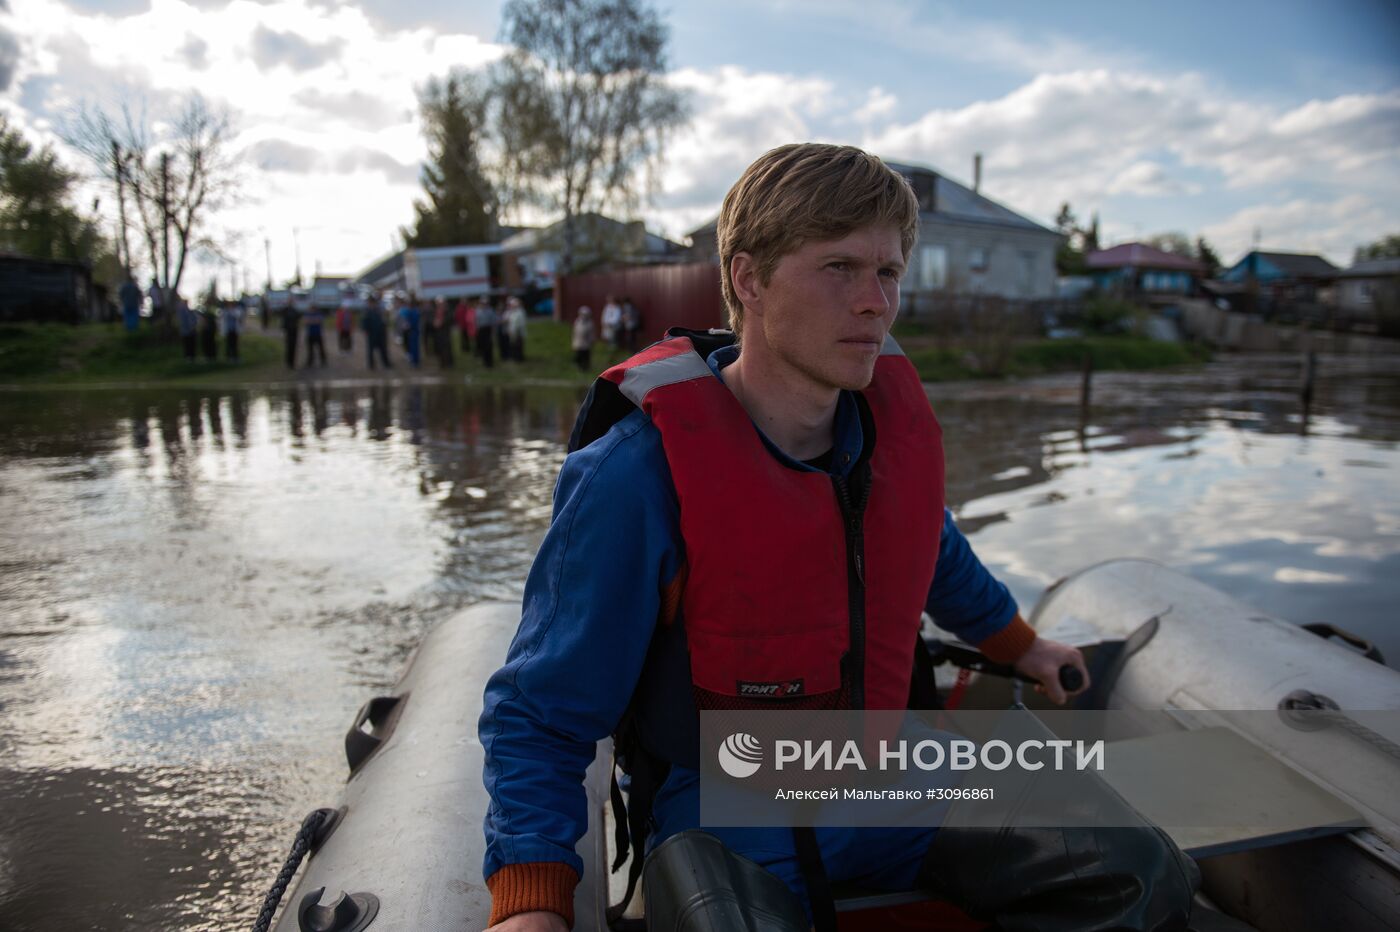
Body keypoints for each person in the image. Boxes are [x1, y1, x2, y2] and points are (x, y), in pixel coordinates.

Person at [479, 144, 1198, 932]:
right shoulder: (633, 477)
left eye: (887, 273)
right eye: (840, 269)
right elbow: (540, 713)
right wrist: (531, 899)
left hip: (890, 770)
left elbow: (933, 553)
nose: (874, 303)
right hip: (726, 799)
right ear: (749, 280)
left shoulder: (885, 443)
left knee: (1144, 871)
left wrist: (1021, 645)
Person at [362, 294, 391, 370]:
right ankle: (371, 365)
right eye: (370, 302)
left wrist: (384, 328)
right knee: (370, 350)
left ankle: (386, 363)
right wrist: (366, 330)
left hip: (380, 333)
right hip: (371, 334)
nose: (371, 304)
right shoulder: (367, 311)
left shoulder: (378, 310)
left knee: (383, 349)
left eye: (372, 302)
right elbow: (364, 323)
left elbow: (384, 322)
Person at [398, 294, 423, 368]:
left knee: (415, 347)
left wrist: (408, 326)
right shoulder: (409, 311)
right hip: (410, 332)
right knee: (411, 347)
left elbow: (413, 322)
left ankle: (416, 362)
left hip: (414, 332)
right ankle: (413, 360)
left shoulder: (415, 311)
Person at [570, 305, 595, 371]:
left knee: (586, 356)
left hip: (586, 343)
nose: (584, 315)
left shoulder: (590, 323)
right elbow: (575, 332)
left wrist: (591, 341)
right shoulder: (577, 321)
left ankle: (586, 368)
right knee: (579, 355)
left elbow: (591, 333)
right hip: (578, 342)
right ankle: (579, 367)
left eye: (585, 314)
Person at [476, 299, 498, 369]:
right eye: (482, 304)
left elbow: (494, 322)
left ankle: (490, 362)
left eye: (485, 304)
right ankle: (484, 361)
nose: (483, 305)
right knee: (483, 346)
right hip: (481, 330)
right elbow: (476, 321)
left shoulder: (490, 311)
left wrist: (493, 332)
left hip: (488, 329)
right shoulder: (478, 311)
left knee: (489, 346)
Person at [502, 297, 527, 362]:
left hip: (518, 332)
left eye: (513, 305)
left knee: (519, 345)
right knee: (513, 345)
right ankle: (514, 357)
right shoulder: (510, 312)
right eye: (511, 305)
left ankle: (519, 358)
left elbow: (520, 324)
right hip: (511, 332)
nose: (511, 306)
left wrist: (516, 331)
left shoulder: (520, 312)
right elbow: (507, 321)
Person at [434, 297, 454, 369]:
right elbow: (433, 319)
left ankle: (449, 363)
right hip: (438, 332)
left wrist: (442, 322)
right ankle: (442, 363)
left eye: (441, 303)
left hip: (445, 331)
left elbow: (450, 318)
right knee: (440, 347)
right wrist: (435, 323)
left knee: (447, 347)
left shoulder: (447, 310)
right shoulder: (436, 311)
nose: (440, 305)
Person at [178, 295, 199, 360]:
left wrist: (193, 326)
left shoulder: (191, 311)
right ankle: (187, 357)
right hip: (185, 331)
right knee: (187, 344)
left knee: (192, 344)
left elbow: (195, 320)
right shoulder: (181, 312)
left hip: (192, 331)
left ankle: (192, 357)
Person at [280, 300, 299, 369]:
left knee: (293, 347)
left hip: (294, 331)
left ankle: (292, 363)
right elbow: (283, 320)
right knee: (289, 347)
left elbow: (298, 318)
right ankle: (288, 363)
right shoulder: (286, 310)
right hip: (289, 331)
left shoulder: (294, 310)